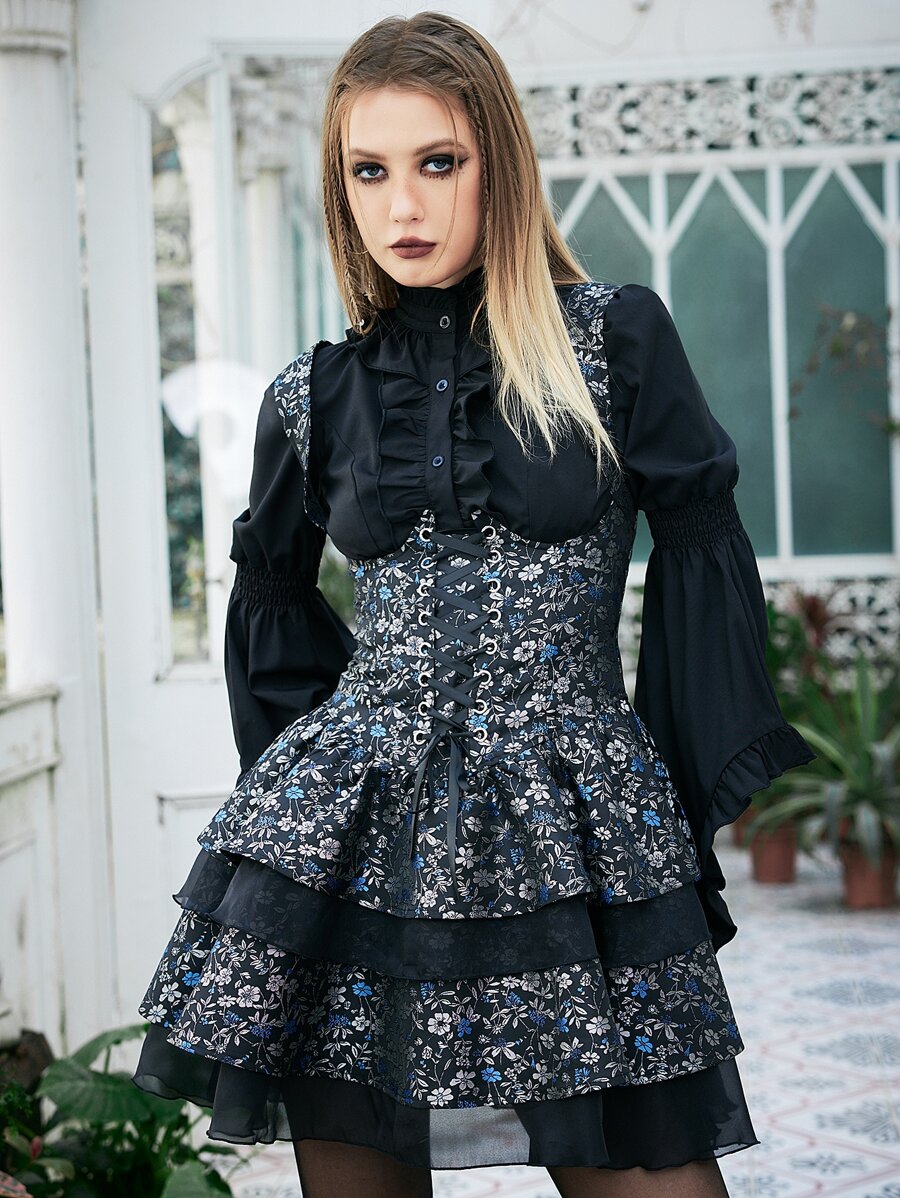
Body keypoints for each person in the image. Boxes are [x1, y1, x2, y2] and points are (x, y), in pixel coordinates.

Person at [131, 12, 816, 1197]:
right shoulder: (311, 395)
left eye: (437, 162)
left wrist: (663, 793)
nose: (403, 205)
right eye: (369, 171)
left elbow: (702, 562)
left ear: (497, 163)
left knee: (655, 1172)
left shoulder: (615, 340)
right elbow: (273, 613)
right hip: (354, 841)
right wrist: (303, 812)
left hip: (571, 830)